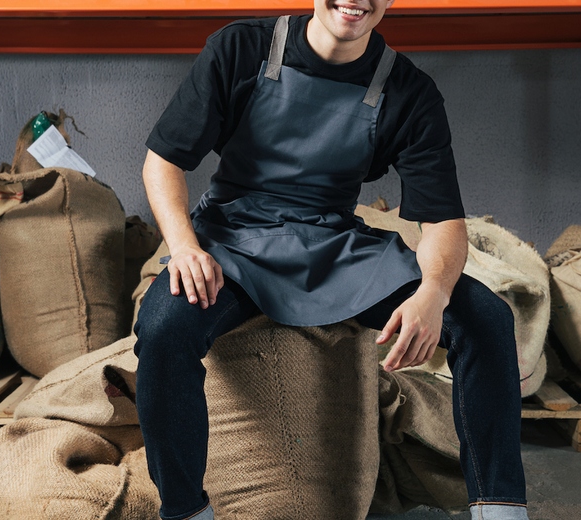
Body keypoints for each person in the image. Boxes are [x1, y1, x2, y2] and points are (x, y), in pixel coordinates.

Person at [133, 1, 529, 518]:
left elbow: (443, 222)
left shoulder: (408, 91)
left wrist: (433, 292)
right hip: (235, 239)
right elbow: (163, 162)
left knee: (485, 318)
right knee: (164, 328)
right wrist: (185, 246)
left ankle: (499, 508)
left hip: (333, 244)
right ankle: (185, 510)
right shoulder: (241, 48)